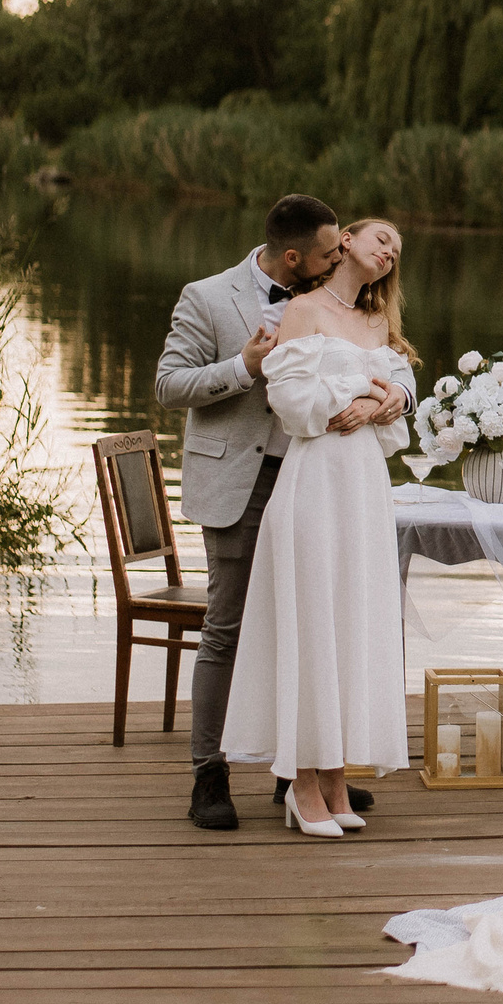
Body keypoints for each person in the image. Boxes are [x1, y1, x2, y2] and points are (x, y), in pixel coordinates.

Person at [156, 194, 392, 831]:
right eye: (326, 251)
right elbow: (168, 385)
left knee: (311, 619)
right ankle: (210, 772)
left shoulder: (328, 301)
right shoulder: (207, 297)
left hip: (307, 480)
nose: (339, 254)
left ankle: (299, 769)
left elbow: (381, 356)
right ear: (294, 257)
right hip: (238, 482)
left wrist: (388, 396)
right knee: (227, 627)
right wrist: (243, 365)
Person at [221, 217, 417, 836]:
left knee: (350, 624)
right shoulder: (300, 310)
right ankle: (301, 784)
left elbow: (397, 415)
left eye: (398, 250)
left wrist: (384, 403)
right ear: (348, 242)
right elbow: (292, 401)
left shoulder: (378, 324)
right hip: (314, 480)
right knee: (309, 622)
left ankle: (336, 779)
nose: (389, 252)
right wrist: (359, 397)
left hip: (362, 484)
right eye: (381, 238)